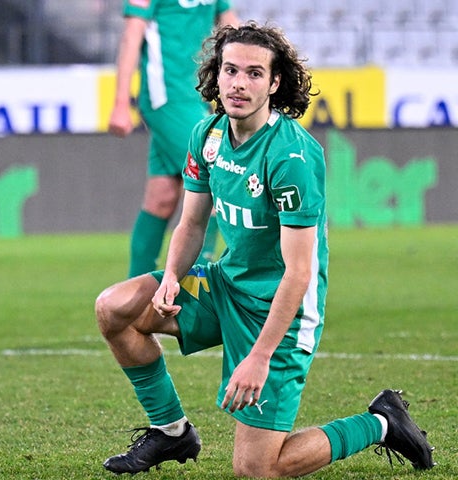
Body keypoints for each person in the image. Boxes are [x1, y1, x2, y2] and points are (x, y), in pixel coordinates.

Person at [95, 22, 435, 476]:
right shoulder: (208, 136)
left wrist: (259, 356)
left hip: (281, 311)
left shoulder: (291, 157)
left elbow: (299, 273)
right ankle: (171, 431)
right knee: (114, 308)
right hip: (224, 286)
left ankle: (382, 423)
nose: (239, 83)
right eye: (230, 70)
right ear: (216, 75)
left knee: (257, 470)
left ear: (274, 83)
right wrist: (173, 275)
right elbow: (191, 223)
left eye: (254, 73)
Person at [108, 0, 239, 278]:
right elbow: (132, 34)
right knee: (215, 183)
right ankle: (193, 288)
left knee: (162, 197)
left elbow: (230, 26)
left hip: (196, 96)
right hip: (166, 97)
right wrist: (121, 102)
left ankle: (135, 294)